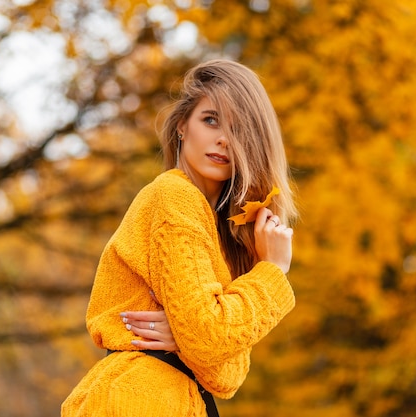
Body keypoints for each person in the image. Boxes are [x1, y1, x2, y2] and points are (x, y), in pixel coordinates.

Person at [61, 59, 298, 417]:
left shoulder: (215, 228)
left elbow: (229, 375)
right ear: (183, 126)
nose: (223, 139)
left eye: (239, 130)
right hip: (140, 396)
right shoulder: (174, 196)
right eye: (211, 119)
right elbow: (209, 339)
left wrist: (187, 339)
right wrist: (273, 271)